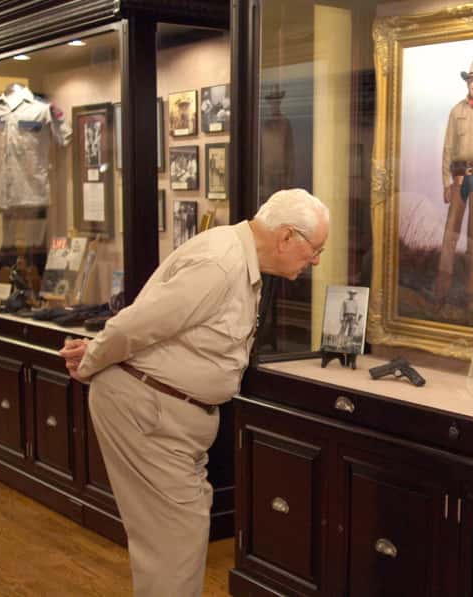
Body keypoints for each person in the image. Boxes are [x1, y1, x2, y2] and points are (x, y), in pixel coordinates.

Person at [59, 188, 329, 597]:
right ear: (287, 236)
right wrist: (92, 359)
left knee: (174, 539)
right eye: (315, 248)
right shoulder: (221, 264)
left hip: (166, 413)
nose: (316, 260)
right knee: (174, 542)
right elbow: (138, 324)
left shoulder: (240, 260)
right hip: (147, 410)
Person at [434, 59, 473, 302]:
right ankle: (442, 291)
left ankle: (470, 291)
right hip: (459, 181)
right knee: (451, 234)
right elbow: (447, 149)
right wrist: (445, 183)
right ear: (467, 82)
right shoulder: (456, 112)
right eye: (472, 80)